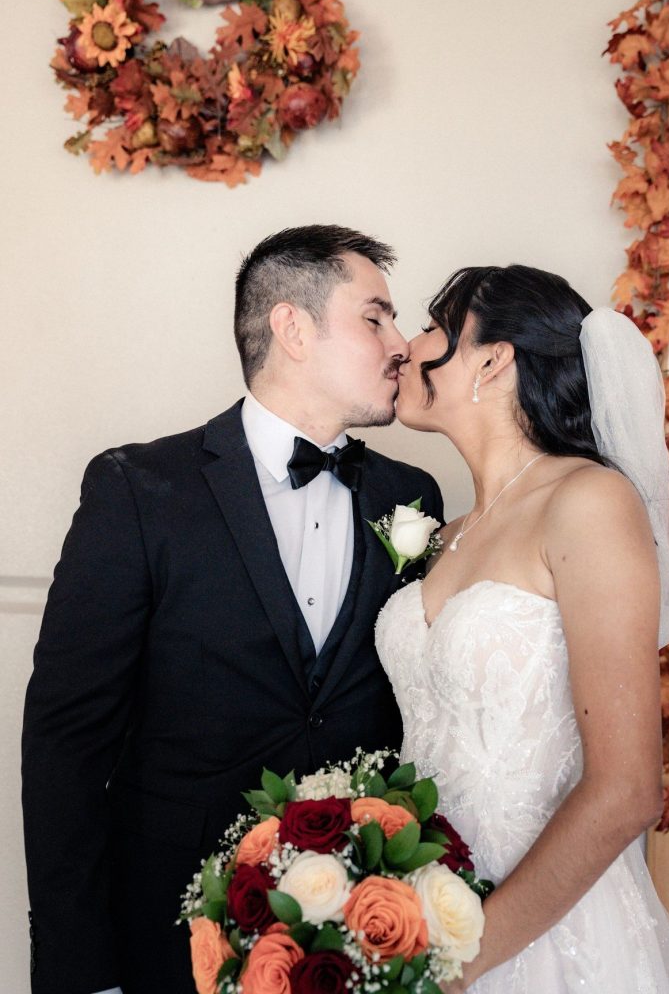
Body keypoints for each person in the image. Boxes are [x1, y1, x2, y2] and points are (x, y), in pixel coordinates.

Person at [21, 225, 443, 994]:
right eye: (375, 318)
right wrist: (80, 967)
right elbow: (65, 743)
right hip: (167, 934)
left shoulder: (410, 496)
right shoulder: (139, 489)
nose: (401, 345)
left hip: (355, 936)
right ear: (292, 328)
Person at [378, 264, 669, 992]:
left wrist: (459, 965)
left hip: (544, 934)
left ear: (493, 359)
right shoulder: (445, 535)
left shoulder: (588, 502)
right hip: (421, 908)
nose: (406, 344)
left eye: (432, 327)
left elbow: (627, 788)